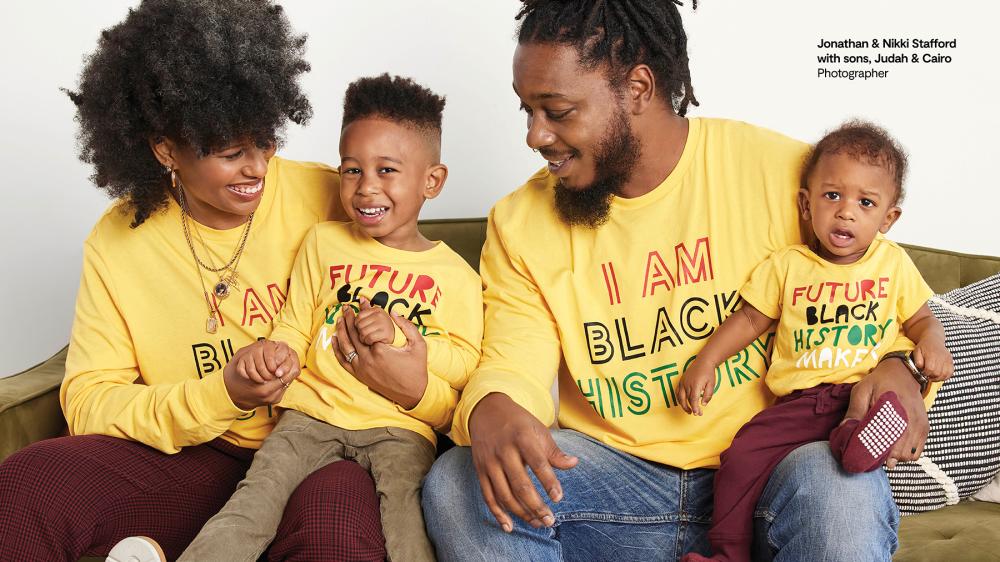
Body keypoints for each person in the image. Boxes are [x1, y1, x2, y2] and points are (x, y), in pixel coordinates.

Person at [421, 1, 933, 561]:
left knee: (839, 482)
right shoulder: (521, 222)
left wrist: (900, 365)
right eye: (527, 111)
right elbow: (515, 358)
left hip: (772, 467)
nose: (535, 135)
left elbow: (875, 281)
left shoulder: (787, 174)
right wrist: (493, 404)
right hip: (614, 482)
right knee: (457, 483)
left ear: (638, 86)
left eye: (558, 111)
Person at [0, 1, 387, 560]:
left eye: (264, 143)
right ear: (166, 150)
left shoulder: (335, 199)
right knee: (31, 483)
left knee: (333, 530)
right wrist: (217, 396)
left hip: (322, 450)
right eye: (230, 153)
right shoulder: (120, 240)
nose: (256, 168)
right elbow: (88, 400)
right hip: (196, 456)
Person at [166, 73, 482, 562]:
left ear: (432, 181)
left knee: (408, 528)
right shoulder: (323, 242)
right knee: (251, 507)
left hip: (399, 430)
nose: (365, 188)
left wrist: (405, 337)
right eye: (352, 170)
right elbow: (295, 324)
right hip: (308, 416)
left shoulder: (454, 274)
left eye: (387, 171)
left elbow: (465, 363)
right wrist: (276, 356)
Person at [676, 121, 953, 562]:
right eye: (832, 196)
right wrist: (706, 360)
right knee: (741, 457)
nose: (846, 212)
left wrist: (934, 344)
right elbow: (749, 319)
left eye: (865, 203)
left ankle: (860, 432)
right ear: (806, 205)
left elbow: (922, 318)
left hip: (861, 390)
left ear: (888, 218)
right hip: (798, 405)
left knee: (867, 403)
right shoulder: (789, 265)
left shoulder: (891, 263)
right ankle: (728, 554)